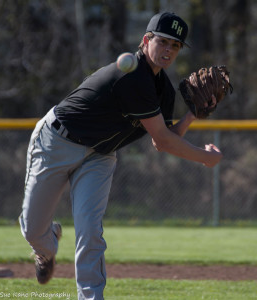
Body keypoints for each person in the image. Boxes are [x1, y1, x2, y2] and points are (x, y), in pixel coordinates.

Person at [19, 11, 222, 300]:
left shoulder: (162, 90)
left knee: (89, 231)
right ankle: (45, 248)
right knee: (32, 228)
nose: (168, 50)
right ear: (145, 40)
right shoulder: (132, 75)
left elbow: (161, 140)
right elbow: (163, 141)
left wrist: (191, 116)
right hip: (57, 141)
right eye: (163, 42)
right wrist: (205, 157)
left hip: (100, 155)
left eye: (175, 46)